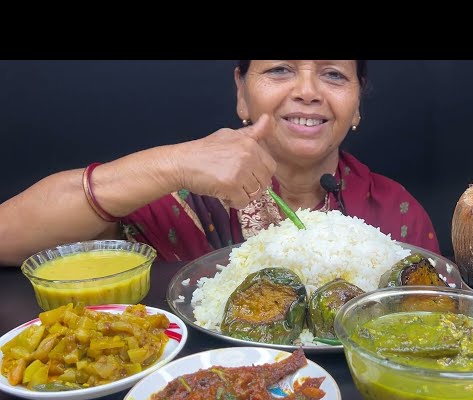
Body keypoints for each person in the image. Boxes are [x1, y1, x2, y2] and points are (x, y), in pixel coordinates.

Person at [0, 60, 440, 265]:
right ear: (241, 92)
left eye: (333, 74)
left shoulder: (394, 213)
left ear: (357, 105)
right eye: (280, 70)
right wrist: (173, 165)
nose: (308, 90)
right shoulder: (172, 196)